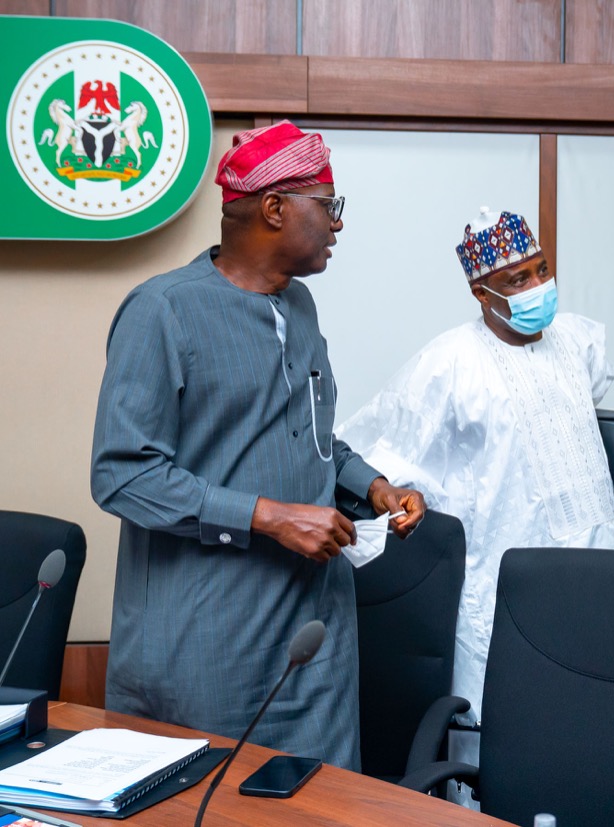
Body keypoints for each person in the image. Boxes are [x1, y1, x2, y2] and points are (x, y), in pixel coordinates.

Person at [90, 121, 425, 771]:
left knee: (321, 809)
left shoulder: (299, 306)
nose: (338, 225)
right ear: (275, 208)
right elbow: (121, 475)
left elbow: (308, 434)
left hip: (315, 641)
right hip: (211, 644)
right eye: (328, 207)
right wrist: (268, 516)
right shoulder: (163, 311)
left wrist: (374, 488)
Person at [336, 207, 614, 797]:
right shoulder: (448, 363)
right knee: (493, 753)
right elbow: (375, 450)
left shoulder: (579, 340)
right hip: (498, 593)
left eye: (541, 270)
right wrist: (395, 497)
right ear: (479, 289)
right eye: (517, 280)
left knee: (585, 736)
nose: (537, 287)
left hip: (593, 575)